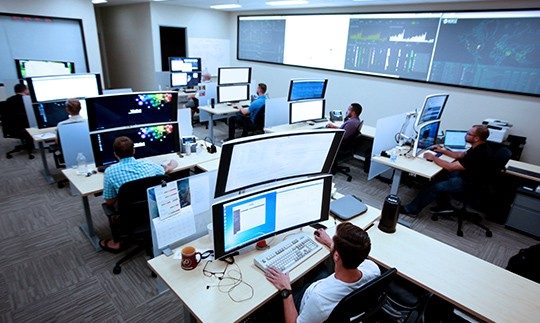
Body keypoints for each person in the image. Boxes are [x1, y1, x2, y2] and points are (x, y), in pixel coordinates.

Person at [265, 222, 381, 323]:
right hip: (340, 307)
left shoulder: (319, 299)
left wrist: (286, 289)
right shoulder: (373, 269)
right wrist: (332, 243)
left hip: (307, 304)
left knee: (272, 301)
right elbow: (353, 253)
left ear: (336, 256)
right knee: (320, 270)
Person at [100, 136, 178, 253]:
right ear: (134, 151)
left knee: (110, 207)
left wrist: (122, 193)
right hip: (154, 210)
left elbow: (109, 202)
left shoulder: (110, 172)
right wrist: (173, 161)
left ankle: (117, 242)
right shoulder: (148, 164)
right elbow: (168, 169)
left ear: (115, 154)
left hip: (129, 216)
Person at [401, 124, 492, 216]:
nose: (466, 135)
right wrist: (442, 151)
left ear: (476, 138)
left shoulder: (479, 153)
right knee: (438, 175)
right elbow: (459, 155)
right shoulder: (480, 146)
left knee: (435, 186)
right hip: (467, 175)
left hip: (467, 182)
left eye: (469, 133)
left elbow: (450, 167)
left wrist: (433, 157)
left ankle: (411, 210)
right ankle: (444, 205)